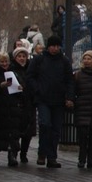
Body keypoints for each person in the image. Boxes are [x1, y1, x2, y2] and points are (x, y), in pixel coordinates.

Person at [26, 35, 73, 168]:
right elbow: (30, 77)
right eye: (53, 46)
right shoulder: (40, 60)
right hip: (43, 99)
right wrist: (38, 89)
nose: (55, 48)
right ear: (48, 46)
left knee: (56, 129)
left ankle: (52, 157)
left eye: (58, 46)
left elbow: (69, 80)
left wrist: (69, 97)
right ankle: (42, 153)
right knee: (45, 124)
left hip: (58, 100)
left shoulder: (64, 61)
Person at [10, 46, 35, 163]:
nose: (22, 58)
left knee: (28, 131)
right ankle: (13, 153)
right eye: (19, 56)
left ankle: (24, 153)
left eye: (24, 56)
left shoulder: (31, 69)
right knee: (15, 131)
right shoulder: (11, 69)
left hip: (29, 103)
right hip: (16, 103)